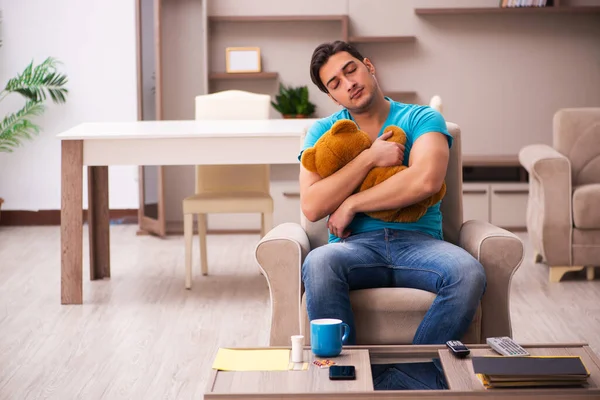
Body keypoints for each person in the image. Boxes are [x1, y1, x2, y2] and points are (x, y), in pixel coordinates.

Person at [299, 40, 486, 345]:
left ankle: (410, 378)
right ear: (332, 96)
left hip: (421, 244)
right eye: (336, 83)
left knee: (468, 272)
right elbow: (312, 205)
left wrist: (351, 204)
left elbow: (425, 180)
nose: (349, 84)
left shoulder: (422, 118)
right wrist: (369, 157)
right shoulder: (323, 133)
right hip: (353, 247)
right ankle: (344, 380)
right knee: (319, 263)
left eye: (351, 70)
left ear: (368, 67)